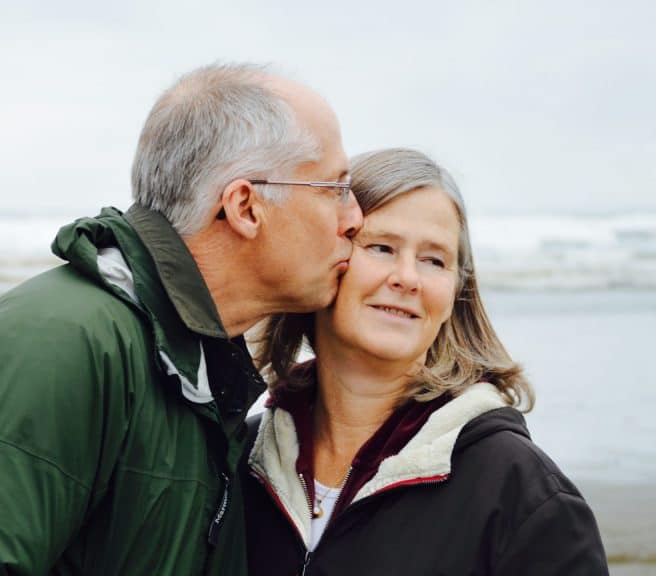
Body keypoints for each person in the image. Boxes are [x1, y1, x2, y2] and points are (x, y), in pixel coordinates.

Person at [0, 63, 363, 576]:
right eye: (335, 188)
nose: (354, 219)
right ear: (245, 206)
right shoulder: (57, 343)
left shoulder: (195, 365)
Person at [243, 148, 608, 575]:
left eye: (434, 260)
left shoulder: (522, 492)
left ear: (456, 292)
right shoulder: (243, 460)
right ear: (326, 258)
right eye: (381, 247)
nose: (407, 278)